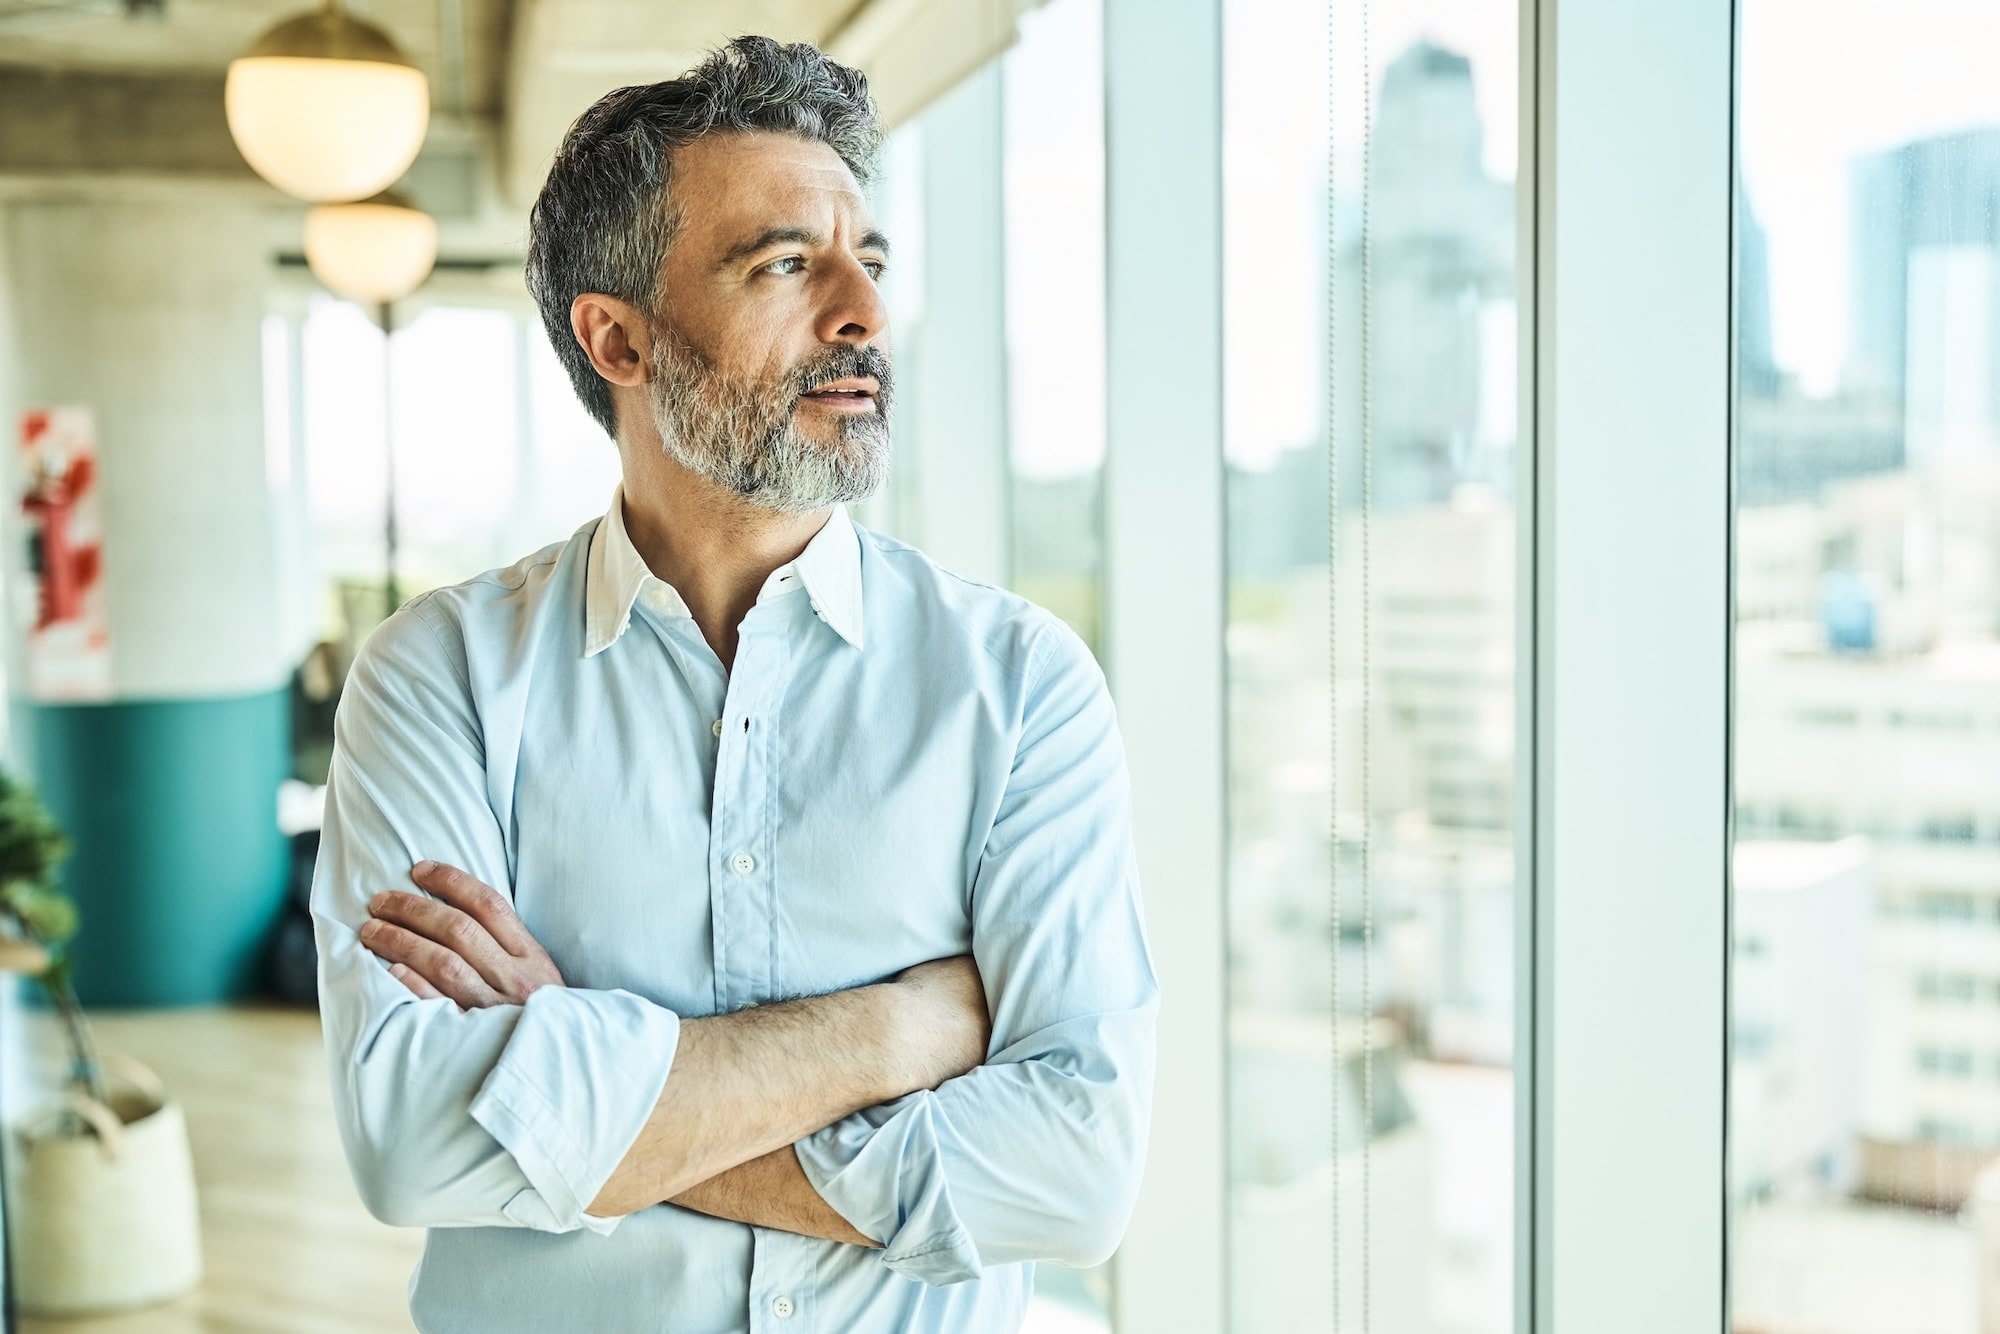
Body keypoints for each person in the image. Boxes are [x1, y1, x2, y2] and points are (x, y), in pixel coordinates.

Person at [311, 35, 1158, 1334]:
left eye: (868, 259)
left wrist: (572, 1088)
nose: (863, 313)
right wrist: (898, 1033)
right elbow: (416, 1141)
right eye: (785, 264)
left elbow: (1078, 1170)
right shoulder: (441, 679)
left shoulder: (1022, 686)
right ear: (621, 337)